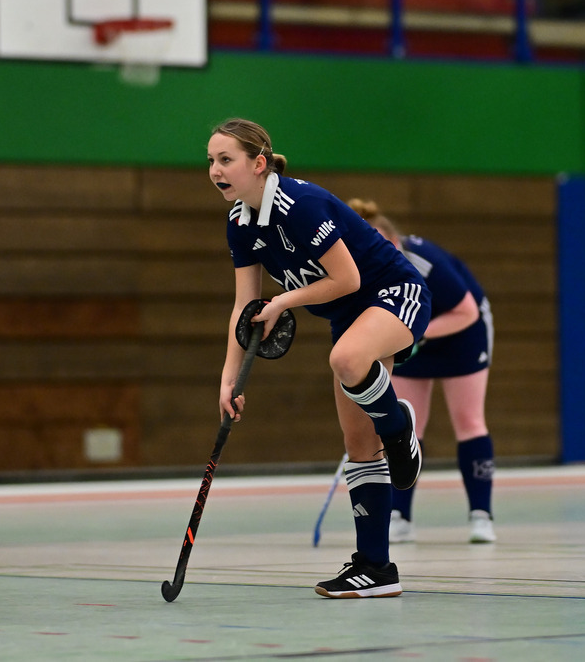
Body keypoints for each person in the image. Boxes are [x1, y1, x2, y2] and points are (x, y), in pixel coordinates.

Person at [208, 118, 432, 599]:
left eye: (226, 159)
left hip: (395, 292)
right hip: (348, 316)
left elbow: (349, 279)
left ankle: (399, 426)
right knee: (358, 444)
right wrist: (229, 379)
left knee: (346, 359)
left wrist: (284, 301)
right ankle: (376, 569)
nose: (215, 170)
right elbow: (243, 307)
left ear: (259, 163)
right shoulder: (239, 224)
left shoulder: (300, 204)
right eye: (210, 161)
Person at [349, 198, 496, 544]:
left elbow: (466, 312)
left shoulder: (423, 259)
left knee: (469, 421)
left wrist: (419, 332)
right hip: (412, 332)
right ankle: (400, 515)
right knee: (407, 424)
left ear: (391, 241)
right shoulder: (362, 270)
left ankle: (481, 515)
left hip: (462, 332)